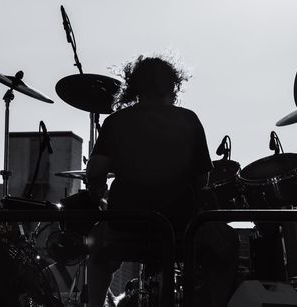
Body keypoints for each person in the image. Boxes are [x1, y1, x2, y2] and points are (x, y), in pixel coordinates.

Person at [86, 55, 238, 307]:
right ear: (172, 86)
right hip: (181, 229)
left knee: (97, 245)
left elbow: (95, 171)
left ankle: (94, 306)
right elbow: (203, 180)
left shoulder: (116, 121)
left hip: (126, 227)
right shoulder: (189, 119)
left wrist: (97, 189)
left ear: (134, 87)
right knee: (228, 243)